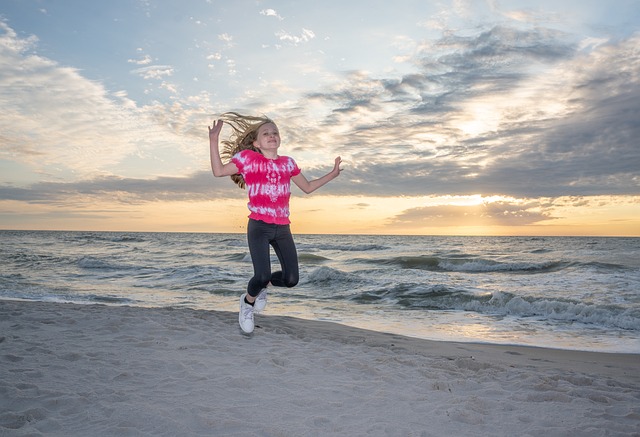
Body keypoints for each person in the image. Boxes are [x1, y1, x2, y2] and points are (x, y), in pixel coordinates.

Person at [209, 112, 342, 333]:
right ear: (256, 143)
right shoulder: (248, 159)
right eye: (266, 133)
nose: (272, 135)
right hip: (259, 226)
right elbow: (218, 171)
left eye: (275, 132)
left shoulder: (288, 163)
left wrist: (332, 174)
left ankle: (263, 287)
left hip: (282, 228)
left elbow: (307, 187)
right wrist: (214, 140)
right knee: (260, 275)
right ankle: (247, 302)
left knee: (291, 279)